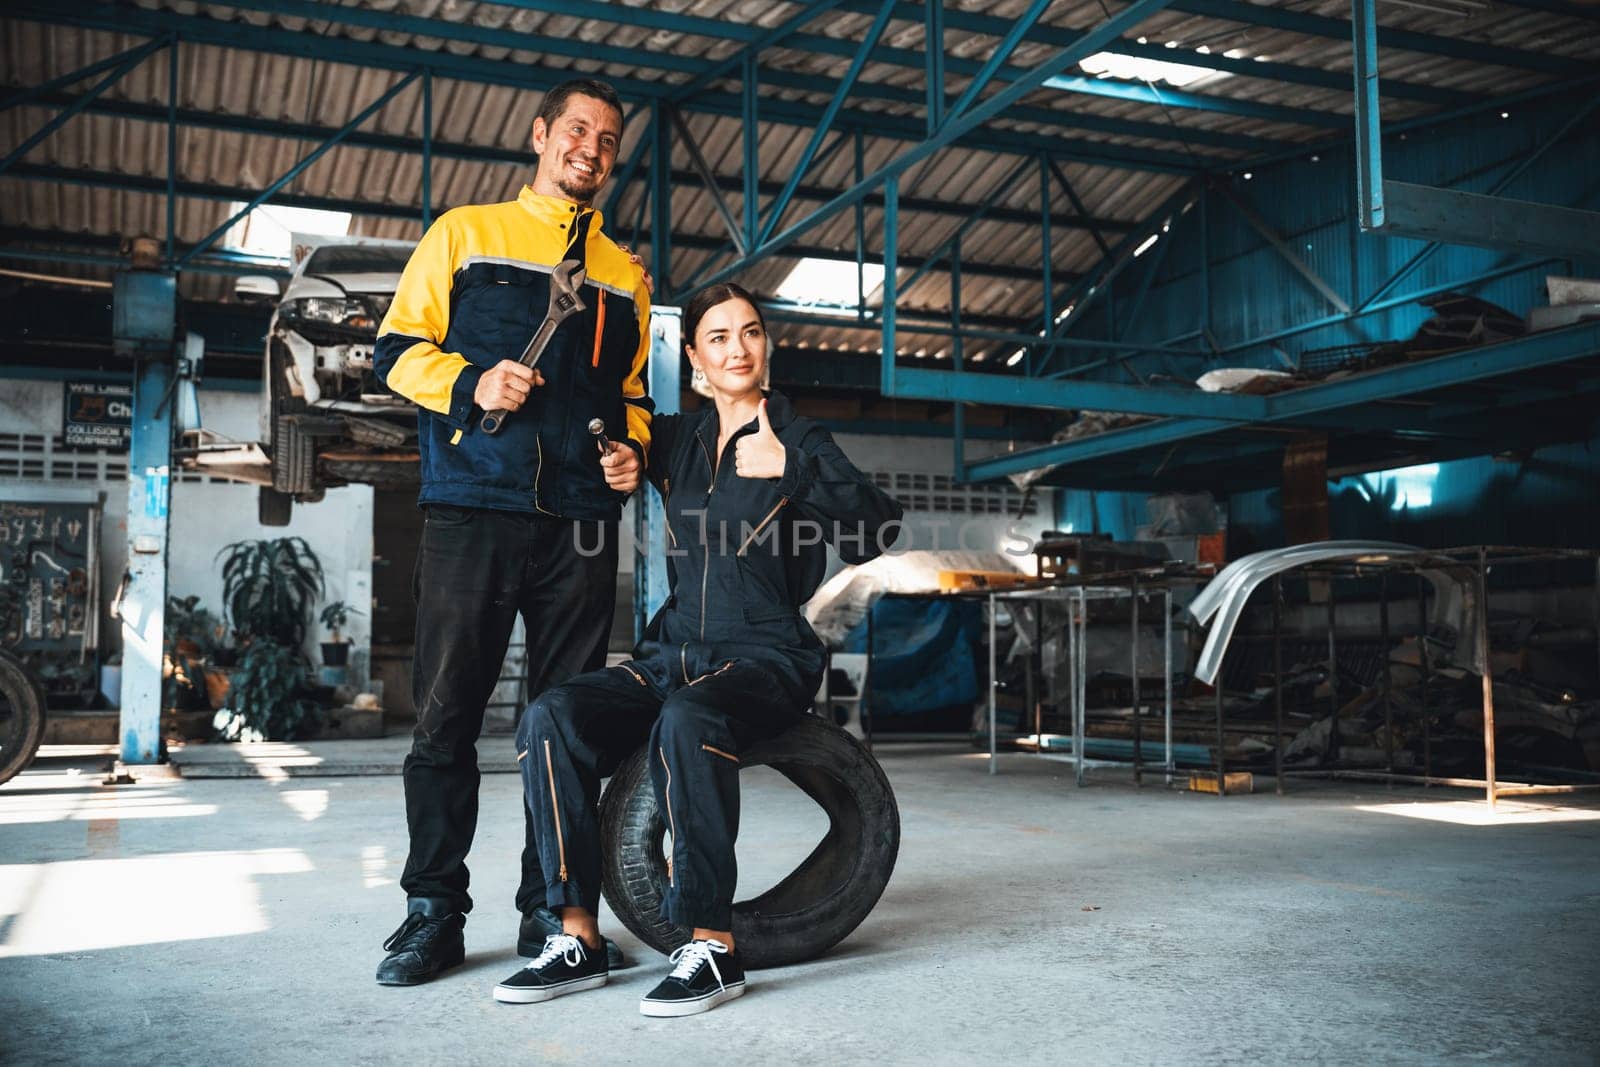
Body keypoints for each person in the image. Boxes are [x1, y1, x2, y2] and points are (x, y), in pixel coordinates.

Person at [496, 282, 903, 1017]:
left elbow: (876, 532)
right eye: (718, 337)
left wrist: (794, 470)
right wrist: (621, 460)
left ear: (766, 348)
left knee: (689, 719)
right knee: (552, 715)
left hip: (767, 654)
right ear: (695, 360)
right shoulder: (680, 439)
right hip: (675, 647)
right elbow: (626, 447)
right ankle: (576, 934)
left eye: (750, 332)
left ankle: (713, 945)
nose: (736, 347)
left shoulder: (800, 439)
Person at [371, 77, 653, 987]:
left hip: (578, 525)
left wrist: (632, 454)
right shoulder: (465, 233)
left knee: (562, 725)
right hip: (472, 510)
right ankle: (432, 913)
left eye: (608, 139)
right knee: (448, 719)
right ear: (540, 135)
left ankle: (553, 909)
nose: (592, 148)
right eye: (578, 129)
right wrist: (470, 386)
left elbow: (635, 398)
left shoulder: (627, 276)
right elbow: (396, 350)